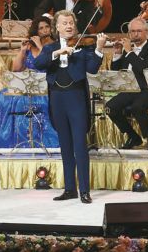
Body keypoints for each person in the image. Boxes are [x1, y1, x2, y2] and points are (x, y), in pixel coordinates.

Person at [34, 11, 106, 204]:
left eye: (71, 23)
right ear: (56, 27)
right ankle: (69, 189)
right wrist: (57, 53)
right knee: (65, 146)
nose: (69, 26)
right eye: (64, 23)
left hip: (75, 98)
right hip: (57, 98)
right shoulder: (50, 48)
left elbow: (92, 68)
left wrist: (99, 48)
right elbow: (38, 63)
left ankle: (84, 190)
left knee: (80, 146)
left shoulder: (82, 48)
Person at [0, 16, 58, 148]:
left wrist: (40, 46)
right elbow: (16, 68)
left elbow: (48, 64)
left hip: (45, 85)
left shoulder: (54, 46)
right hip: (27, 83)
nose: (44, 30)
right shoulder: (29, 46)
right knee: (1, 98)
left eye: (46, 27)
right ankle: (10, 139)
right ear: (36, 31)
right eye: (40, 28)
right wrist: (22, 51)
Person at [106, 17, 148, 150]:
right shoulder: (127, 51)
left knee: (137, 107)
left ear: (145, 32)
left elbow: (144, 70)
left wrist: (130, 52)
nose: (135, 34)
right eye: (132, 32)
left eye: (138, 31)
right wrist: (118, 54)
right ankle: (133, 136)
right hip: (130, 90)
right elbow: (116, 74)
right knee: (110, 107)